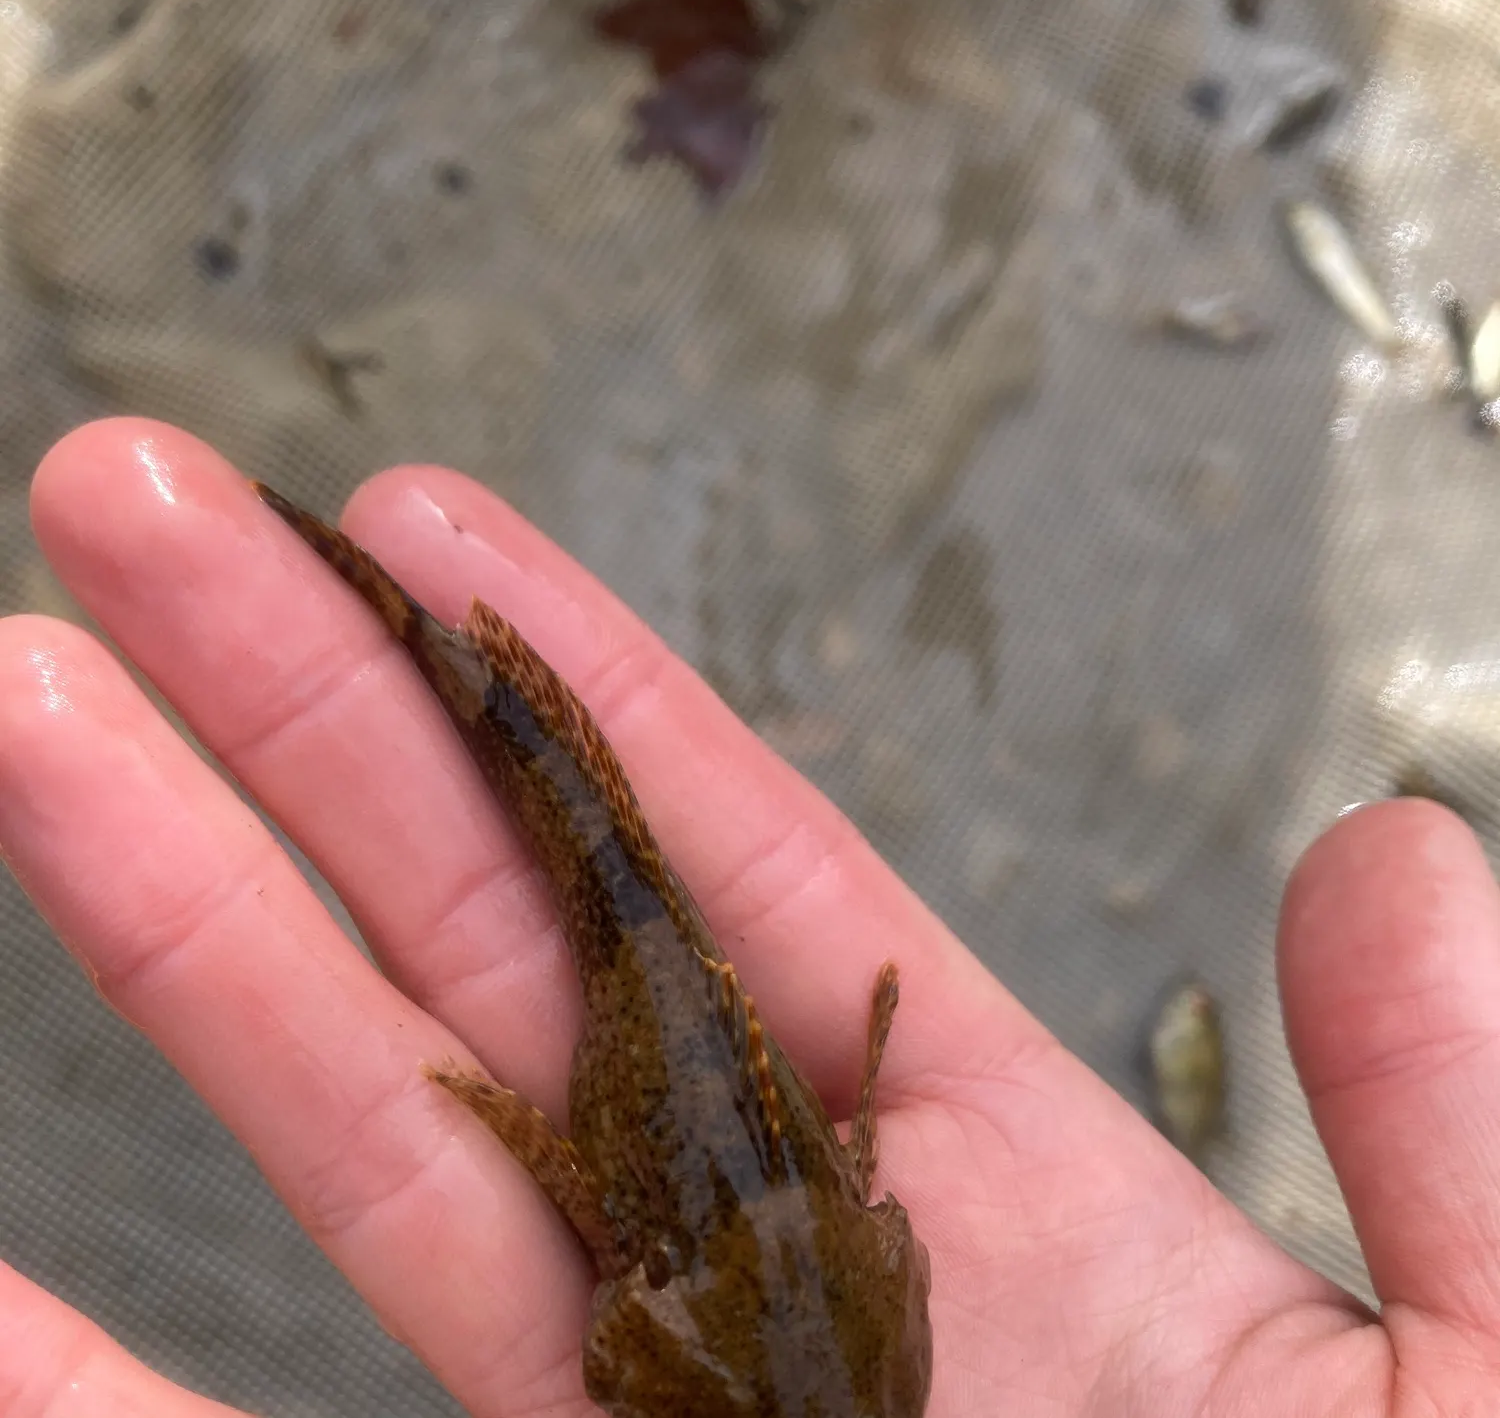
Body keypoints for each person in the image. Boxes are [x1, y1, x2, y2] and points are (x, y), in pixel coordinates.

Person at [0, 417, 1494, 1417]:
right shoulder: (707, 1314)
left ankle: (396, 609)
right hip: (683, 1074)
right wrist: (516, 1129)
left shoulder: (807, 1304)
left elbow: (833, 1241)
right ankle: (384, 605)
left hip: (711, 1071)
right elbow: (626, 1305)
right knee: (604, 864)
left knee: (616, 867)